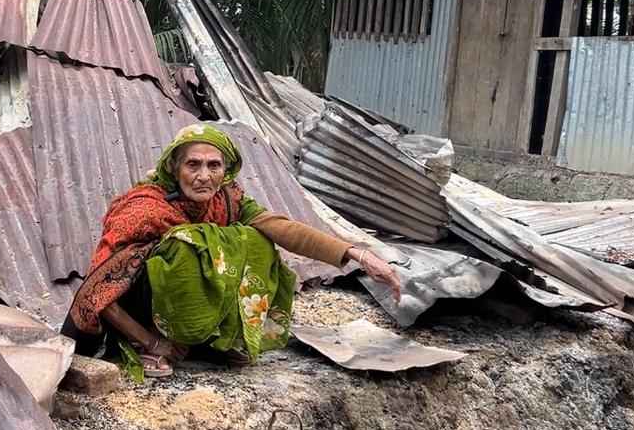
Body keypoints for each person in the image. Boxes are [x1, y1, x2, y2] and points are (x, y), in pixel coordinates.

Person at [61, 124, 403, 378]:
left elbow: (284, 229)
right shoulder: (143, 210)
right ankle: (154, 344)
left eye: (214, 166)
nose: (203, 176)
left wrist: (360, 256)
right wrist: (152, 342)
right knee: (185, 245)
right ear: (174, 168)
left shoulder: (228, 198)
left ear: (227, 171)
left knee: (254, 240)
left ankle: (207, 341)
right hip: (141, 315)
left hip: (186, 310)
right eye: (192, 165)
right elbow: (98, 293)